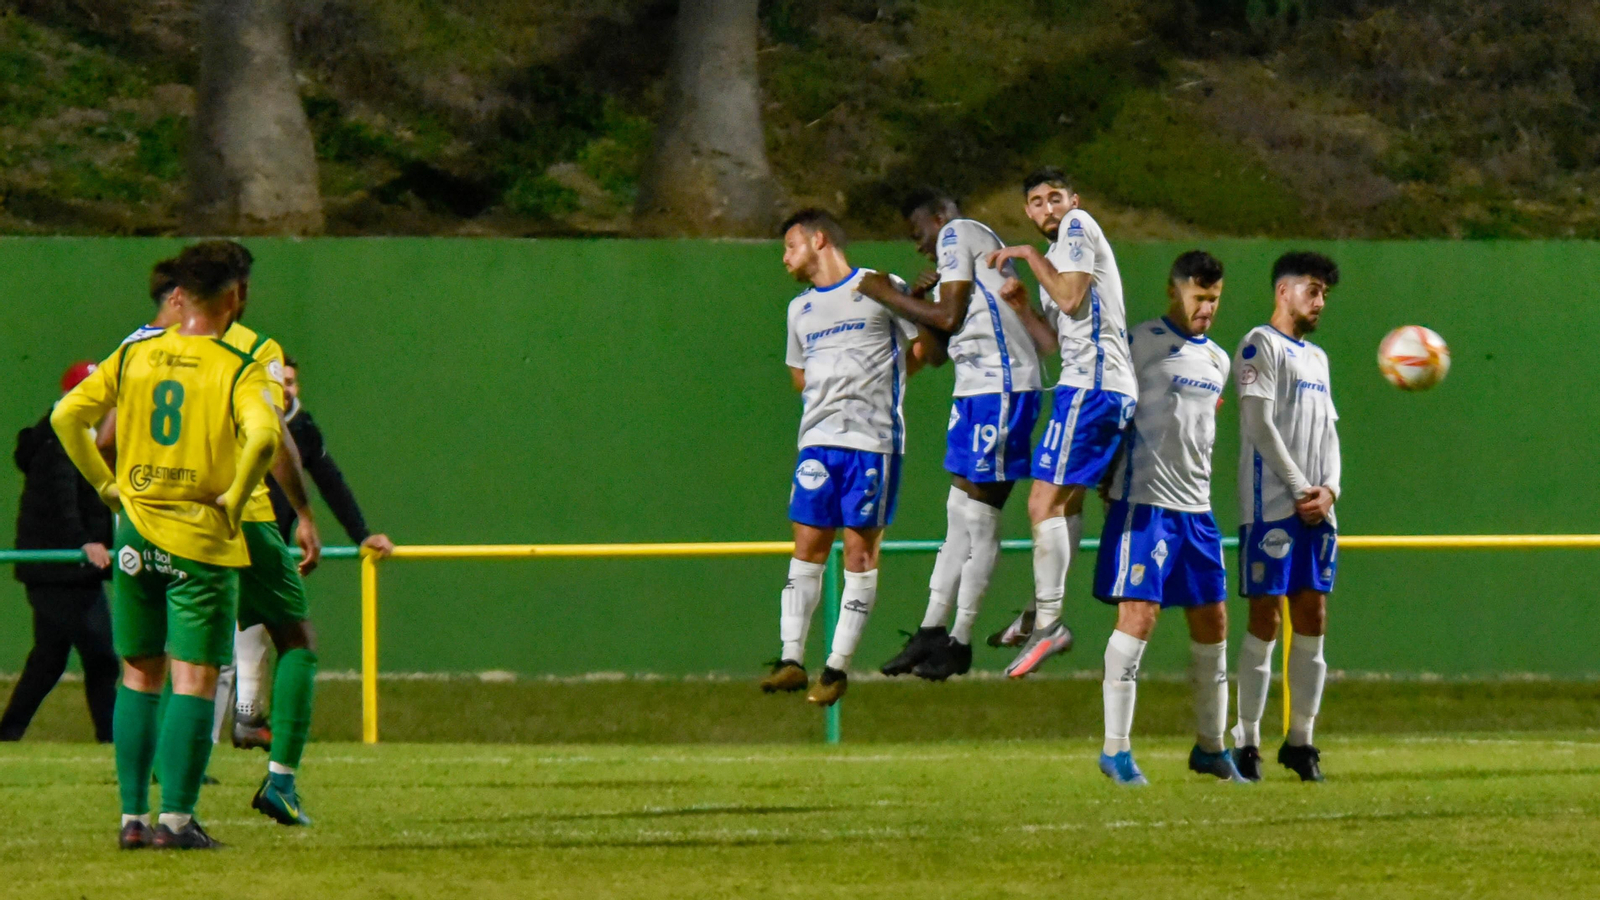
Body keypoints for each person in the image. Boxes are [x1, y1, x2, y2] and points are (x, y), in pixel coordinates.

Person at [53, 247, 282, 850]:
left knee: (138, 671)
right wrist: (235, 499)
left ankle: (131, 818)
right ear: (234, 296)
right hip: (199, 537)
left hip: (135, 533)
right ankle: (176, 821)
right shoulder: (241, 361)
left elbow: (67, 417)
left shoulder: (135, 351)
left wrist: (106, 486)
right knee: (195, 676)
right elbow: (262, 435)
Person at [855, 189, 1043, 680]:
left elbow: (950, 318)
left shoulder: (960, 234)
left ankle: (959, 638)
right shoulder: (961, 259)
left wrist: (884, 294)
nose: (918, 245)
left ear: (940, 219)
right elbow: (937, 349)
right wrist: (913, 301)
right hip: (975, 389)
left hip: (1003, 388)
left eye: (919, 232)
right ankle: (932, 629)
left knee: (979, 517)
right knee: (958, 513)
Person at [759, 208, 935, 706]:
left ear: (818, 240)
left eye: (790, 247)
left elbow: (920, 348)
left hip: (873, 442)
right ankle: (792, 659)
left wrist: (883, 383)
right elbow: (799, 376)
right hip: (817, 441)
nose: (786, 259)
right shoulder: (800, 310)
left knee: (859, 553)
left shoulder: (879, 286)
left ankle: (835, 668)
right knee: (807, 547)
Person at [1088, 251, 1241, 786]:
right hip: (1143, 506)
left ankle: (1211, 748)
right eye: (1199, 297)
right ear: (1175, 291)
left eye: (1214, 300)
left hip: (1196, 512)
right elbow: (1107, 410)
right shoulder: (1140, 342)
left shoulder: (1219, 360)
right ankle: (1116, 751)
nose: (1206, 308)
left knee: (1213, 622)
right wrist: (1100, 478)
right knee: (1140, 616)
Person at [986, 169, 1138, 677]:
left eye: (1056, 198)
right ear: (1027, 211)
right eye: (1037, 202)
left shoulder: (1076, 227)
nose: (1049, 209)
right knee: (1063, 502)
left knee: (1039, 501)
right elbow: (1054, 339)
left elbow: (1072, 299)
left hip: (1092, 387)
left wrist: (1027, 256)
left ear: (1074, 199)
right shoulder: (1059, 257)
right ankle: (1041, 610)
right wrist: (1027, 307)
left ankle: (1051, 624)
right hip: (1097, 385)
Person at [199, 240, 322, 826]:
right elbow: (270, 439)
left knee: (167, 659)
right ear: (239, 291)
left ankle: (155, 810)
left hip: (156, 522)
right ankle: (281, 783)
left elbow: (98, 434)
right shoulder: (254, 349)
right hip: (240, 521)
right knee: (297, 639)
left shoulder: (149, 347)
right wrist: (303, 514)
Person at [1229, 251, 1342, 783]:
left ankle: (1301, 741)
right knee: (1265, 619)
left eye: (1323, 294)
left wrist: (1331, 491)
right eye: (1312, 290)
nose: (1319, 302)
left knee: (1314, 617)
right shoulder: (1260, 344)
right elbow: (1258, 423)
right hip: (1272, 508)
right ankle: (1246, 738)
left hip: (1317, 512)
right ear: (1283, 291)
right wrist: (1301, 489)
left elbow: (1332, 435)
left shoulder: (1317, 359)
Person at [1, 362, 119, 743]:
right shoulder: (61, 436)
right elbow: (61, 497)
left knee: (50, 657)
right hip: (61, 566)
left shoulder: (69, 432)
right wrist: (83, 542)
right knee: (100, 656)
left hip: (60, 566)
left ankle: (8, 731)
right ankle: (112, 738)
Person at [266, 357, 395, 555]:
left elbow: (332, 484)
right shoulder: (240, 421)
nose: (285, 390)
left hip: (273, 549)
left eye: (290, 383)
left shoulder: (304, 428)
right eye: (278, 383)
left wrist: (362, 536)